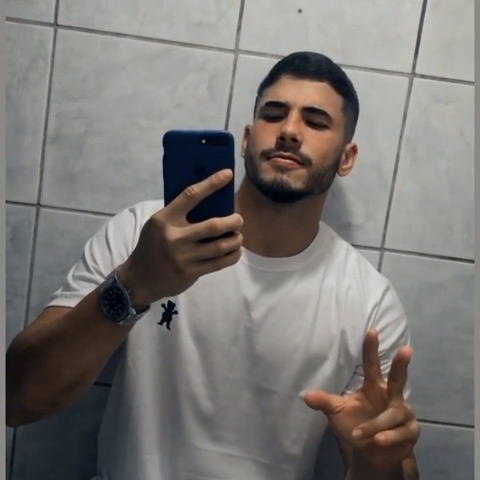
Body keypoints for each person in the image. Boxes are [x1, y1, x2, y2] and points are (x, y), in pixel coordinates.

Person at [6, 52, 420, 480]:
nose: (289, 131)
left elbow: (389, 463)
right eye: (273, 115)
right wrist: (135, 283)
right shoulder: (144, 234)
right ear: (246, 139)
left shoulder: (369, 302)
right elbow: (18, 399)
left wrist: (377, 460)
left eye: (315, 122)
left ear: (346, 158)